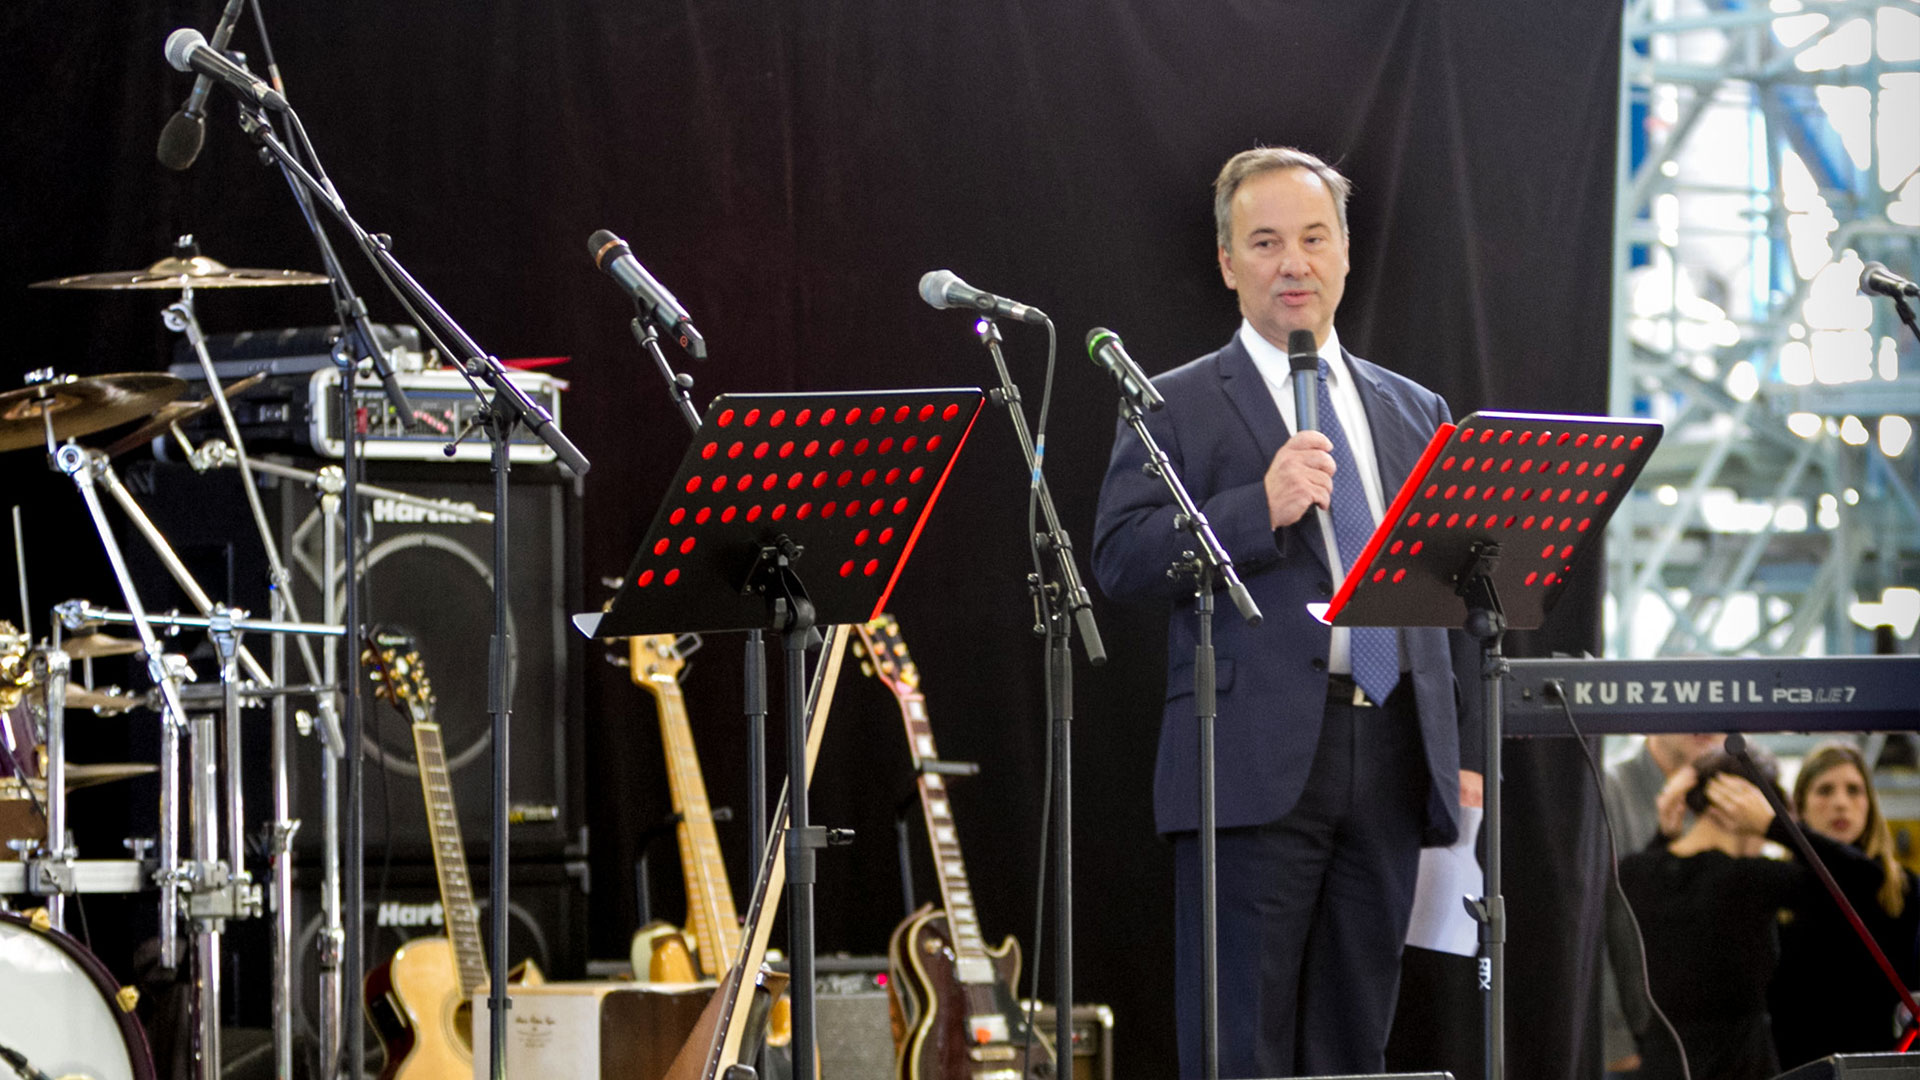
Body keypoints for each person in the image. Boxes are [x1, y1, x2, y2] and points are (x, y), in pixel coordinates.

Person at [1092, 145, 1482, 1077]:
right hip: (1251, 762)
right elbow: (1118, 557)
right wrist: (1251, 510)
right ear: (1229, 264)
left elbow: (1455, 589)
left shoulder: (1414, 407)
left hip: (1392, 753)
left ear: (1346, 251)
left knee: (1358, 1040)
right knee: (1242, 1042)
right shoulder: (1174, 405)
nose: (1293, 263)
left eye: (1313, 237)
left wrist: (1462, 748)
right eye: (1264, 242)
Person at [1613, 748, 1892, 1080]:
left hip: (1662, 1067)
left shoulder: (1635, 871)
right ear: (1742, 806)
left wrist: (1665, 835)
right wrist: (1775, 826)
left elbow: (1666, 876)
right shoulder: (1751, 879)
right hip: (1742, 1068)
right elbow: (1866, 879)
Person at [1769, 741, 1920, 1067]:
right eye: (1824, 790)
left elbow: (1863, 876)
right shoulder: (1777, 888)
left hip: (1882, 1067)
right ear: (1801, 807)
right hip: (1797, 1069)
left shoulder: (1901, 890)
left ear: (1870, 804)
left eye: (1854, 790)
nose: (1840, 803)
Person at [1600, 733, 1724, 1076]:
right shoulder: (1607, 789)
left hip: (1718, 1044)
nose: (1708, 721)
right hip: (1640, 1048)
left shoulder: (1732, 794)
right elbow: (1593, 929)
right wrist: (1615, 1040)